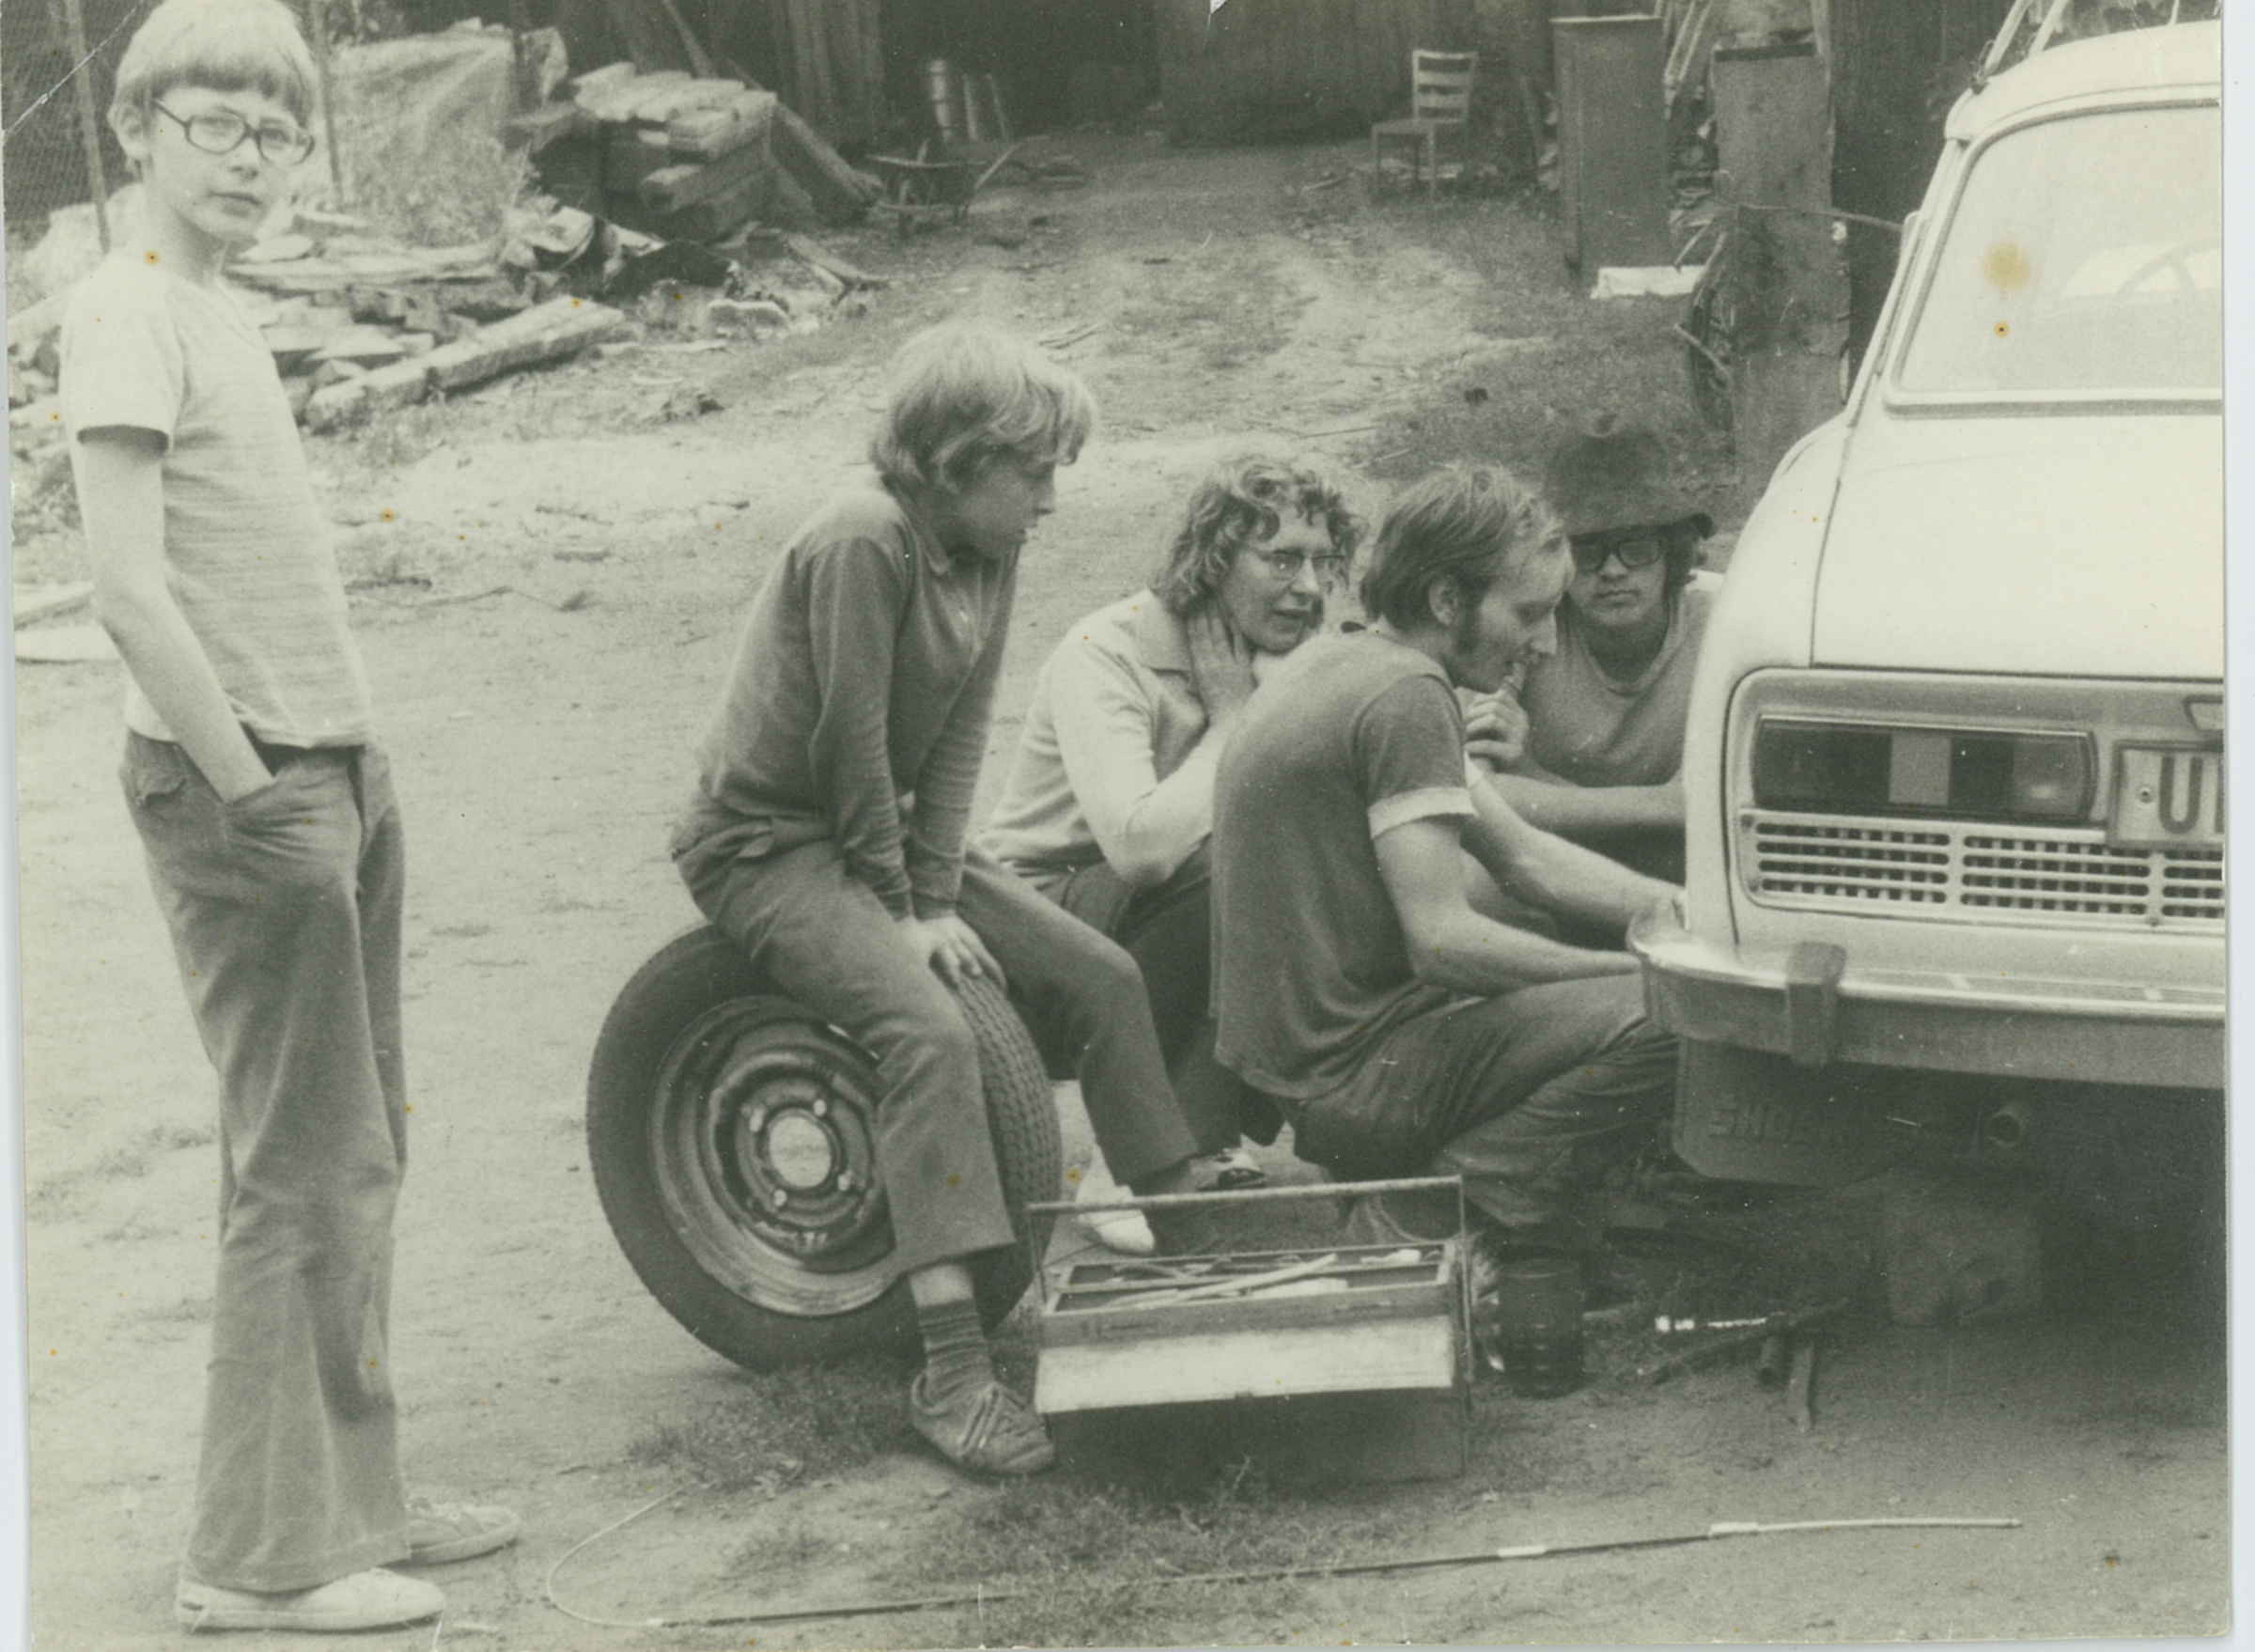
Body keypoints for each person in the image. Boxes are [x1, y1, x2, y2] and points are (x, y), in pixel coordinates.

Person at [59, 0, 518, 1631]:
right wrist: (254, 793)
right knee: (298, 1164)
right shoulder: (125, 308)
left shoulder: (219, 305)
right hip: (247, 782)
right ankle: (254, 1560)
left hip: (330, 761)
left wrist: (333, 772)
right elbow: (124, 590)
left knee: (358, 1148)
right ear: (136, 130)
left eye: (277, 132)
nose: (252, 160)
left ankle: (352, 1501)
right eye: (218, 125)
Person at [670, 319, 1219, 1479]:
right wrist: (906, 912)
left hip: (890, 828)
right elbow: (849, 745)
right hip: (767, 839)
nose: (1052, 501)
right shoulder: (863, 538)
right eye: (1036, 472)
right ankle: (953, 1372)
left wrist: (933, 884)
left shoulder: (984, 547)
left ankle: (1193, 1246)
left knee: (1103, 976)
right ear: (960, 459)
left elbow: (959, 739)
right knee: (928, 1033)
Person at [1210, 463, 1680, 1265]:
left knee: (1627, 977)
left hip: (1309, 1068)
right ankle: (1431, 1214)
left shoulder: (1351, 660)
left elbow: (1528, 857)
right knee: (1672, 1022)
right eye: (1528, 613)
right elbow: (1442, 942)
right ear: (1445, 600)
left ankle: (1438, 1192)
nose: (1545, 640)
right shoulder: (1408, 698)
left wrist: (1695, 919)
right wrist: (1645, 974)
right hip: (1355, 1078)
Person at [981, 456, 1364, 1243]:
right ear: (1215, 559)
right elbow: (1141, 848)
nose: (1309, 587)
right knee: (1225, 866)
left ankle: (1208, 1132)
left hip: (1148, 918)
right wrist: (1233, 722)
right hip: (1031, 919)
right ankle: (1124, 1163)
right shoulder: (1107, 649)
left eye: (1323, 562)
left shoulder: (1284, 651)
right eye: (1281, 560)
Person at [1463, 417, 1717, 886]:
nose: (1613, 571)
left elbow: (1727, 808)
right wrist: (1664, 806)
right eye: (1586, 550)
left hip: (1691, 867)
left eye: (1637, 548)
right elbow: (1477, 794)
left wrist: (1531, 777)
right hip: (1552, 866)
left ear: (1673, 550)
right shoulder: (1531, 622)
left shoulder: (1723, 620)